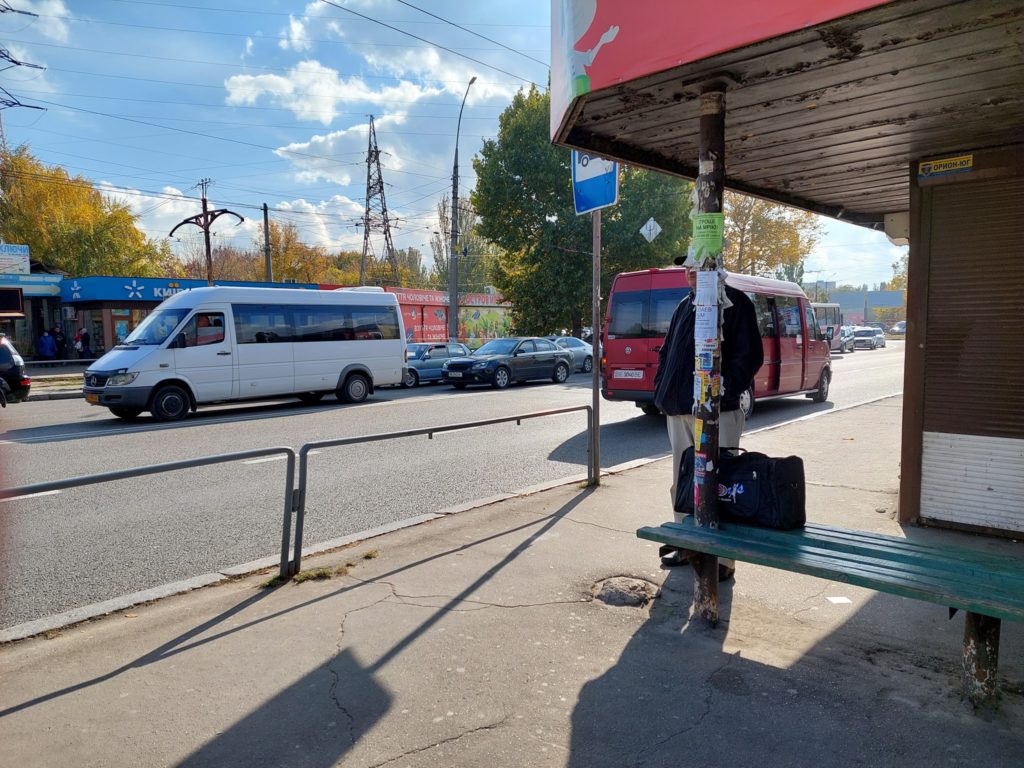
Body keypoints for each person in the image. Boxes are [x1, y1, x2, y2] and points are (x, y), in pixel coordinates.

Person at [653, 263, 763, 577]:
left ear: (715, 269)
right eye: (686, 266)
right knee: (683, 481)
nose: (690, 271)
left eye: (697, 266)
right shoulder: (684, 305)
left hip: (718, 412)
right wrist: (662, 385)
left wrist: (721, 391)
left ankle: (723, 561)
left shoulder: (735, 303)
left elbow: (750, 356)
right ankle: (687, 544)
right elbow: (668, 352)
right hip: (679, 410)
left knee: (723, 484)